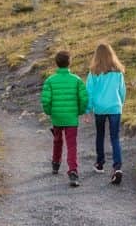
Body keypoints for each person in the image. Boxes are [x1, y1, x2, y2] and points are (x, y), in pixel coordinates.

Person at [41, 50, 89, 187]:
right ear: (70, 63)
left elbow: (45, 100)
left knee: (57, 140)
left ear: (56, 63)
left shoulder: (50, 80)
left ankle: (56, 163)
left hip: (56, 116)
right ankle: (73, 171)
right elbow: (84, 99)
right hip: (71, 118)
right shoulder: (77, 80)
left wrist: (49, 112)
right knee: (71, 144)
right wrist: (79, 112)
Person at [85, 42, 127, 185]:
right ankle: (117, 167)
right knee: (115, 137)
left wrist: (87, 110)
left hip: (100, 108)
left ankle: (100, 163)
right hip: (115, 107)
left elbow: (89, 92)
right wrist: (120, 103)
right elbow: (122, 91)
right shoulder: (118, 72)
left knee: (100, 134)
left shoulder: (94, 72)